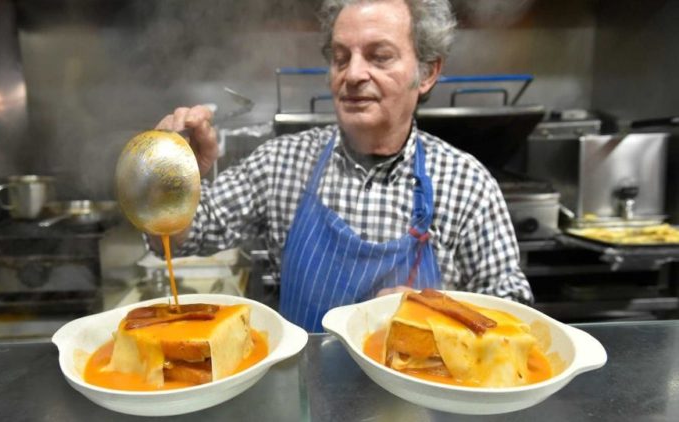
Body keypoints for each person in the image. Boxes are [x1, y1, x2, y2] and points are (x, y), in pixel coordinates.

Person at [151, 0, 533, 332]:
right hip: (307, 404)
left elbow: (517, 310)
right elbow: (181, 237)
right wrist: (173, 179)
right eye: (340, 58)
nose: (352, 74)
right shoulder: (282, 164)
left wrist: (440, 315)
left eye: (379, 56)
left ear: (427, 72)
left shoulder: (466, 184)